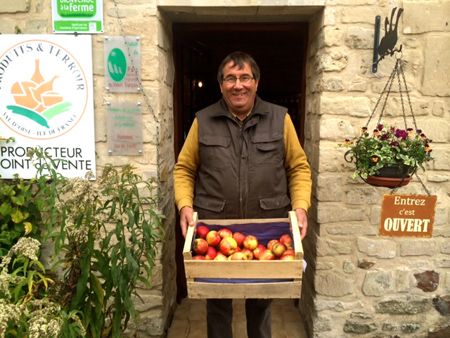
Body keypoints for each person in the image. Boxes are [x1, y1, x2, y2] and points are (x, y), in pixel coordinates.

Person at [173, 51, 312, 338]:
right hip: (217, 229)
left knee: (261, 302)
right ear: (221, 84)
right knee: (218, 303)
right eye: (231, 78)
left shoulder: (279, 119)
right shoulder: (203, 120)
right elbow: (184, 168)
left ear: (256, 82)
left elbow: (298, 167)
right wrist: (184, 205)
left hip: (266, 229)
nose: (239, 85)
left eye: (245, 77)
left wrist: (300, 207)